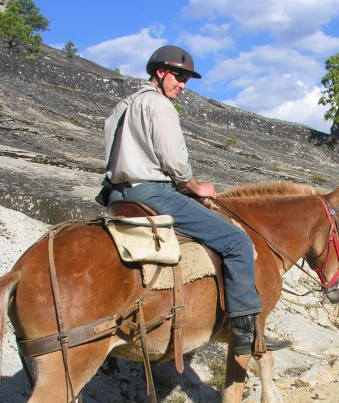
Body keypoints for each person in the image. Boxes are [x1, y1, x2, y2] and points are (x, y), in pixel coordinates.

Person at [102, 45, 289, 356]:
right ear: (160, 73)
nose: (183, 84)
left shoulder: (123, 106)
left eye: (187, 79)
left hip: (118, 195)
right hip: (152, 192)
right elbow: (174, 161)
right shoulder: (160, 107)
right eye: (178, 76)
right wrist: (194, 185)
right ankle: (244, 332)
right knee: (236, 241)